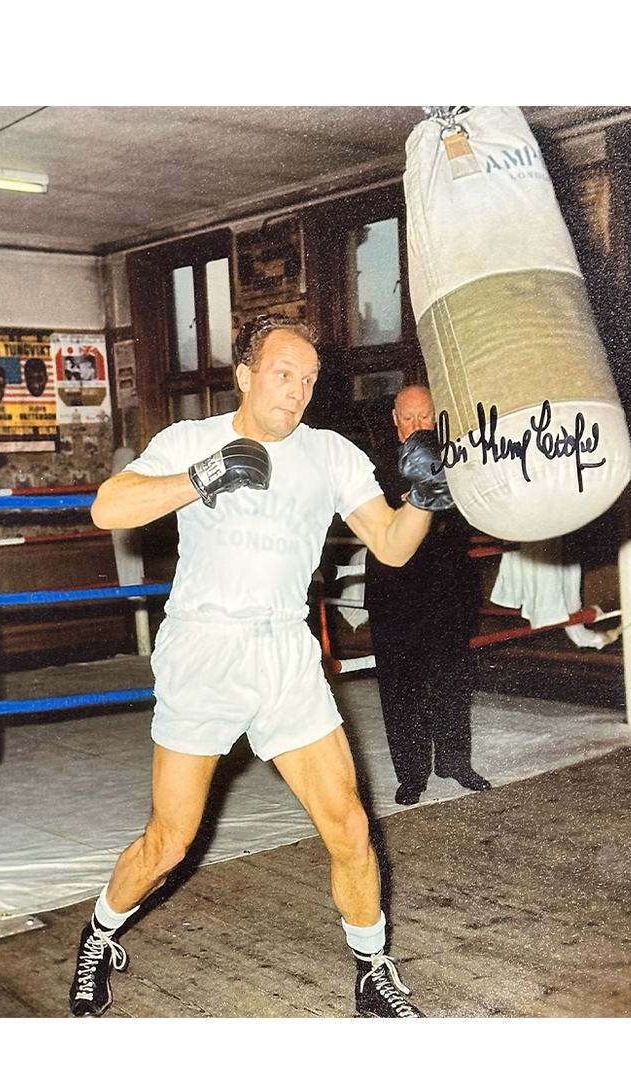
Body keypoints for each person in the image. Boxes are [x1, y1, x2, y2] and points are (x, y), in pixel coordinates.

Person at [69, 315, 454, 1021]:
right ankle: (99, 935)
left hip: (284, 652)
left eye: (308, 380)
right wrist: (202, 475)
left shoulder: (330, 453)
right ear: (245, 375)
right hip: (204, 651)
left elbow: (393, 546)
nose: (297, 391)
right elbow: (107, 507)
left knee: (348, 824)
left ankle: (372, 970)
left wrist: (423, 502)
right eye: (283, 374)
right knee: (169, 842)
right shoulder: (191, 440)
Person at [364, 385, 490, 806]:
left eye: (426, 418)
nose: (418, 426)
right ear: (394, 420)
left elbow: (474, 510)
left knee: (452, 679)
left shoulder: (459, 457)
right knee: (401, 687)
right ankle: (412, 775)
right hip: (394, 592)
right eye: (409, 418)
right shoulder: (372, 464)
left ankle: (455, 762)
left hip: (448, 588)